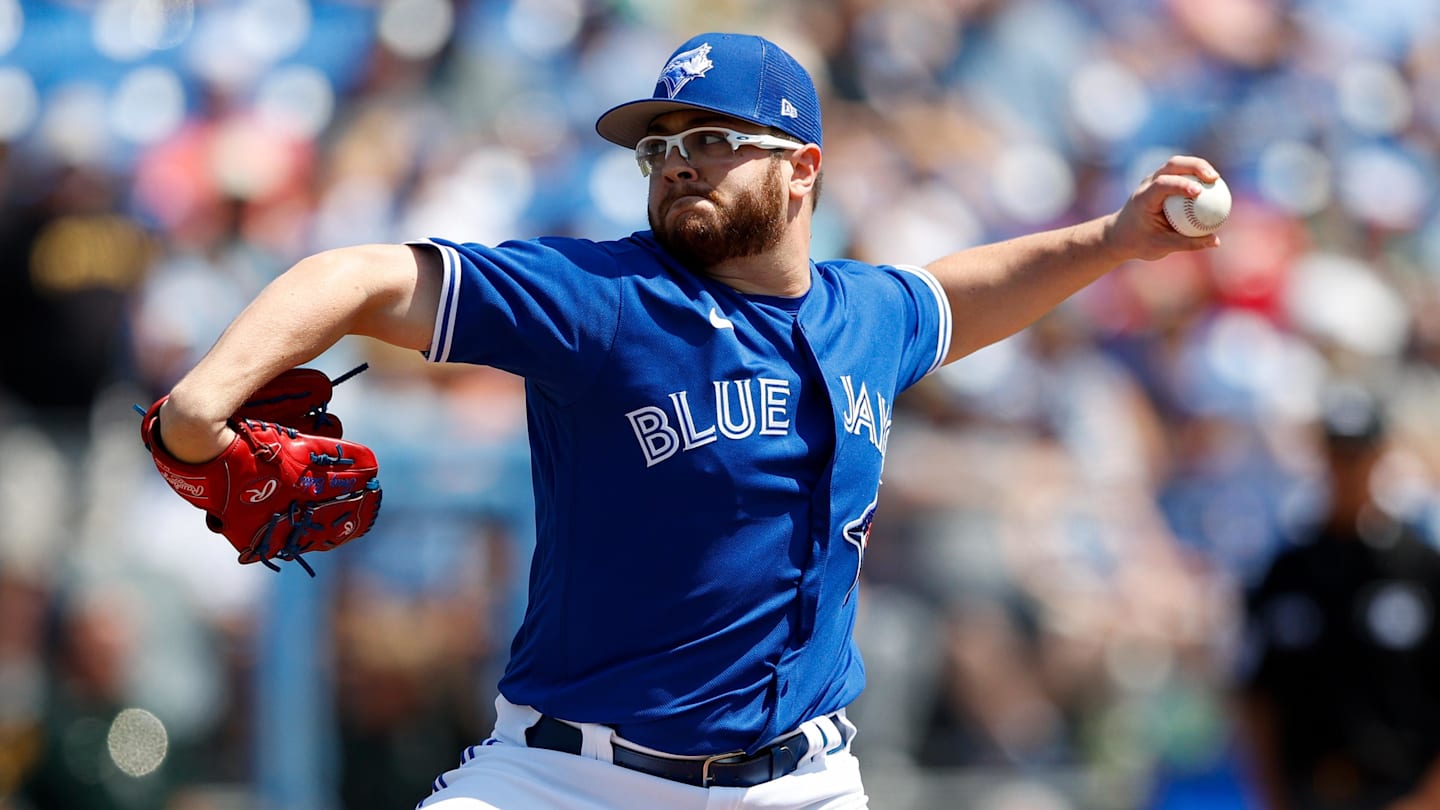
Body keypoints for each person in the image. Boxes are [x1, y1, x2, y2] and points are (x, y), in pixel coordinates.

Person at [150, 32, 1221, 810]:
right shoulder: (603, 301)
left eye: (713, 137)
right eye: (659, 146)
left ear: (802, 169)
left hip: (799, 785)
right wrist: (204, 402)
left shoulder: (867, 318)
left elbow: (959, 295)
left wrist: (1117, 240)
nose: (679, 162)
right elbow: (360, 274)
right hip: (568, 778)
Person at [1236, 385, 1440, 810]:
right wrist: (1273, 796)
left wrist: (1430, 798)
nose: (1346, 468)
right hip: (1309, 793)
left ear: (1379, 457)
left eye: (1357, 454)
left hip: (1402, 795)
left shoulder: (1421, 569)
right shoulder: (1287, 572)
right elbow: (1259, 696)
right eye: (1337, 454)